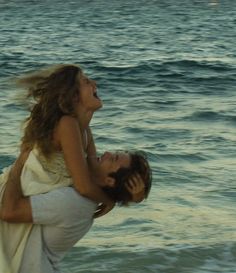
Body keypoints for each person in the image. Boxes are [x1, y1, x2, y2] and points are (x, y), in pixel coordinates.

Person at [0, 64, 152, 272]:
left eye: (114, 158)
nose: (94, 83)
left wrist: (122, 198)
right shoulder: (69, 125)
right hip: (17, 186)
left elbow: (87, 174)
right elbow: (85, 180)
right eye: (86, 81)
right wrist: (112, 199)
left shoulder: (77, 128)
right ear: (73, 97)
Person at [1, 148, 152, 273]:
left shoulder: (75, 202)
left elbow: (10, 211)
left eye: (113, 159)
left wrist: (20, 162)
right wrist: (115, 198)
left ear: (110, 181)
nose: (106, 153)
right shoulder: (81, 190)